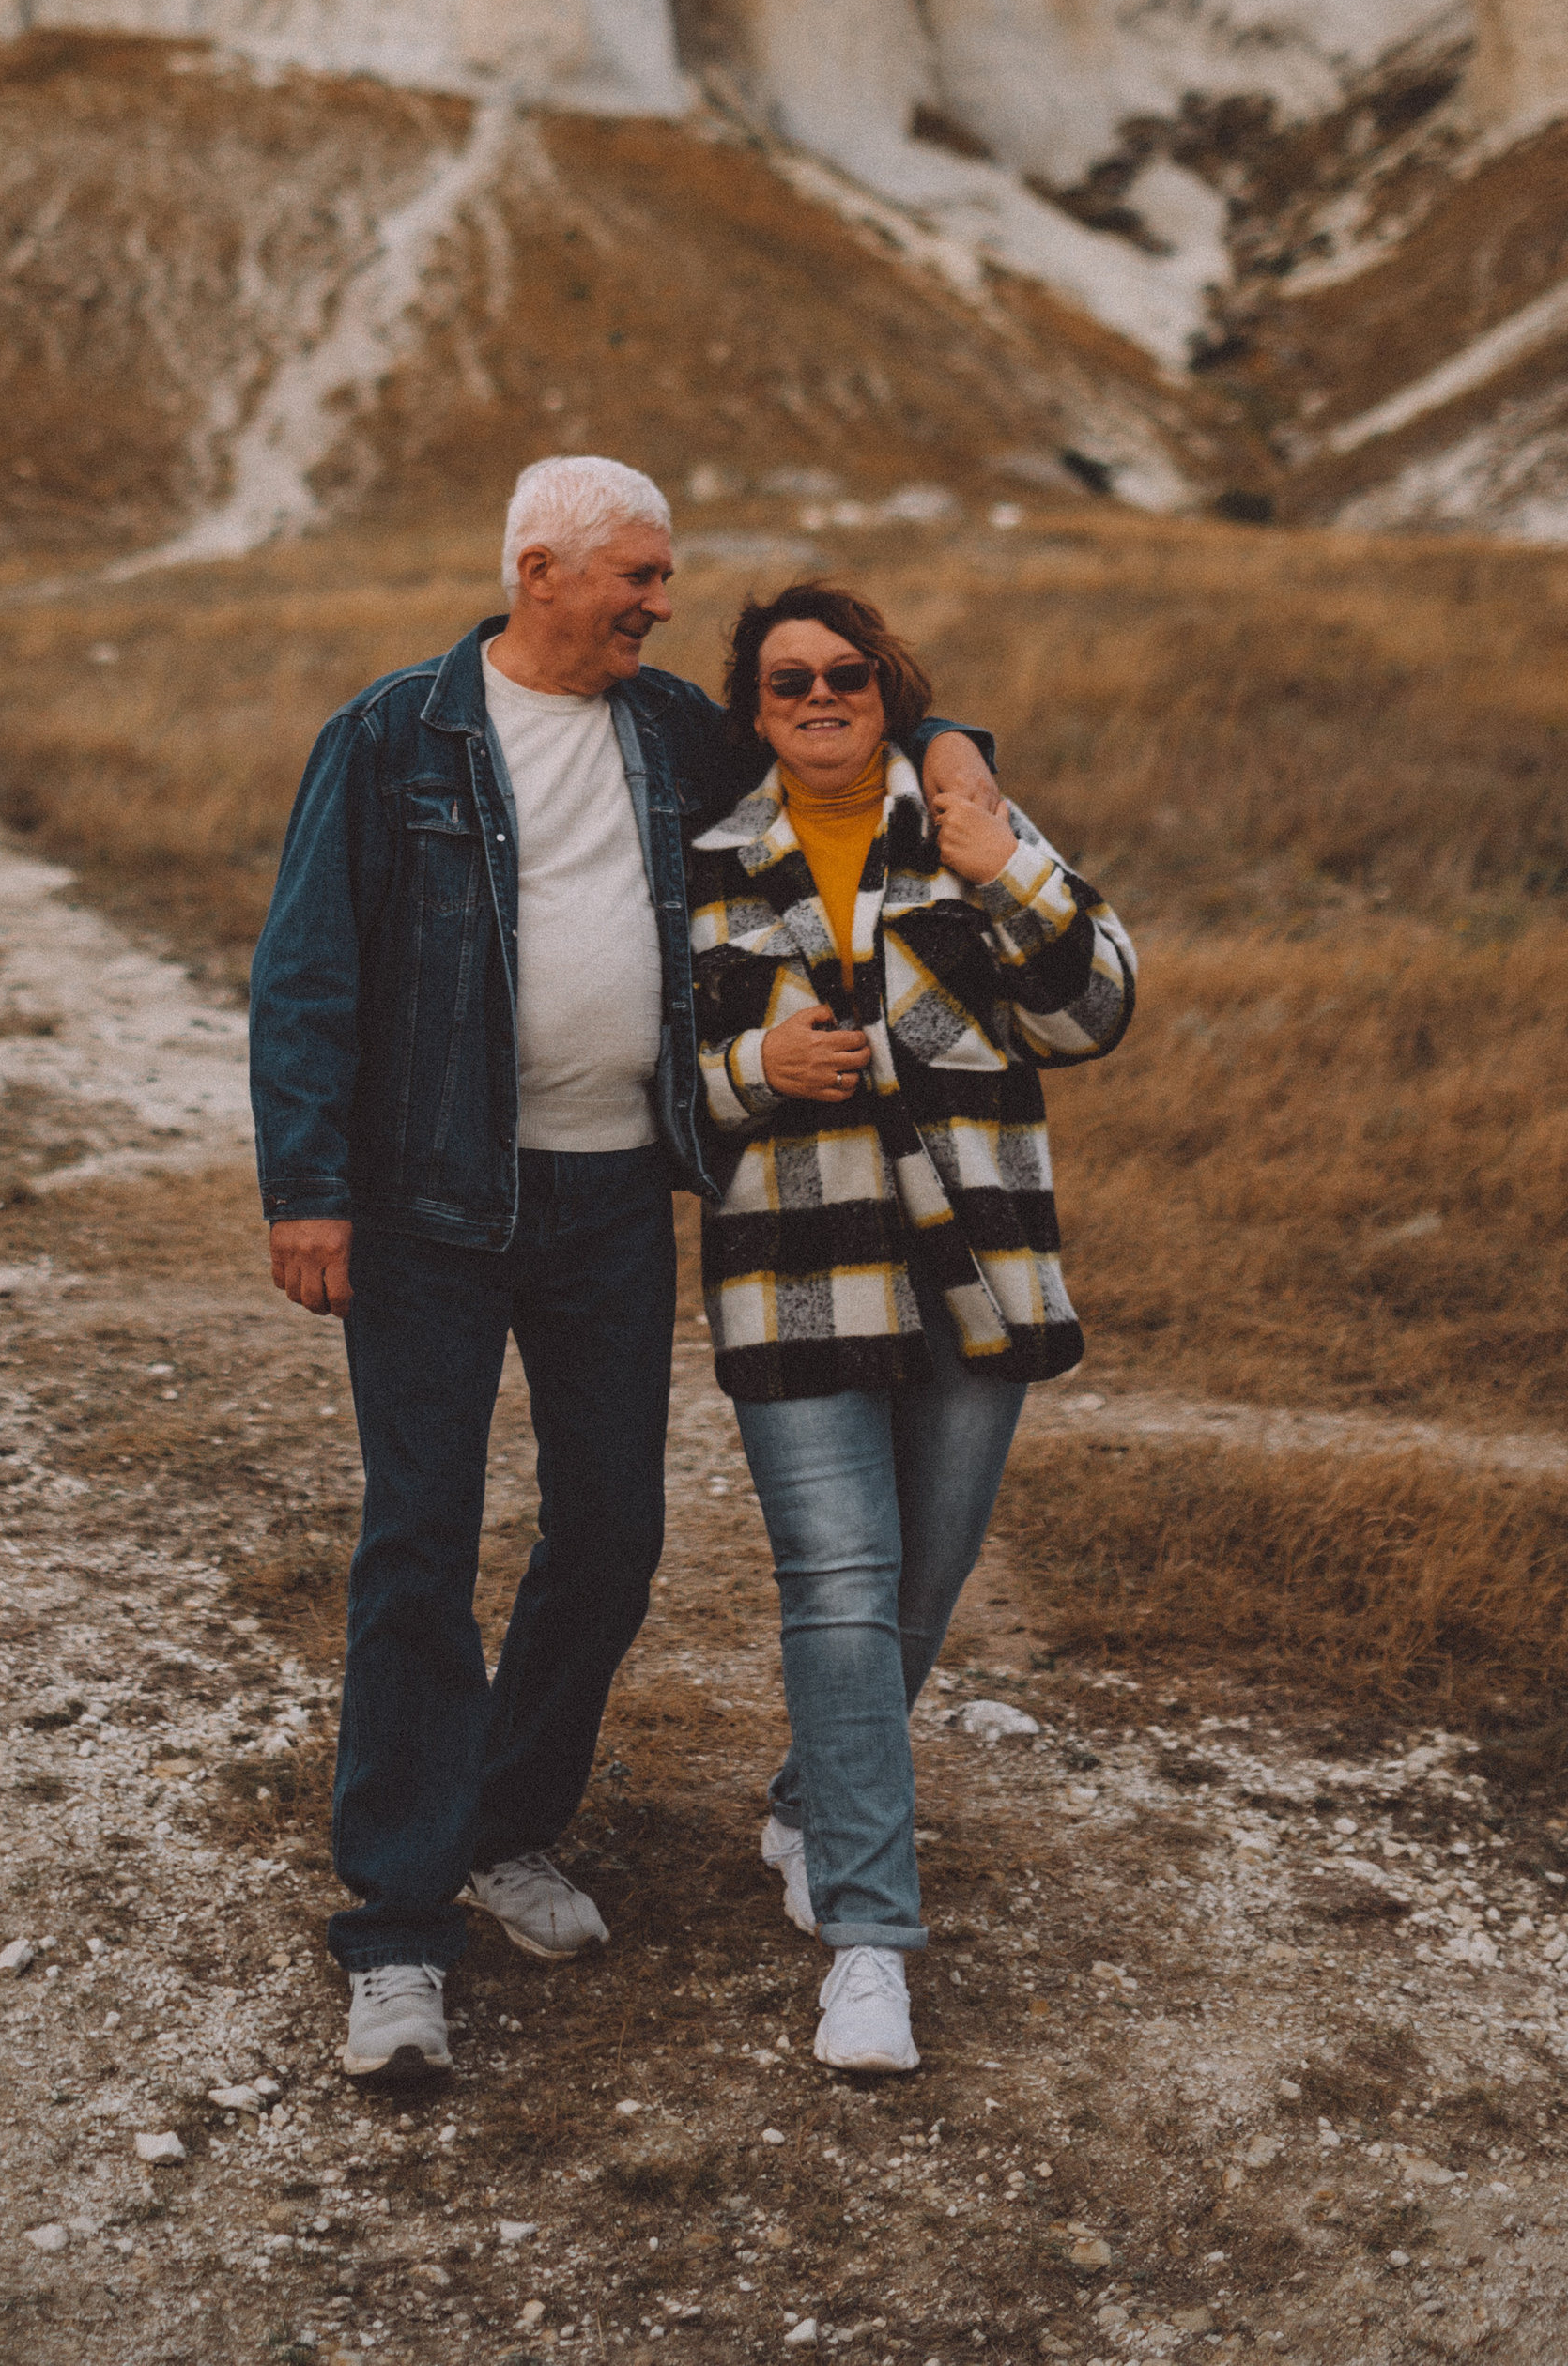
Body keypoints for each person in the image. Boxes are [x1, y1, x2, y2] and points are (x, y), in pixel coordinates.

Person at [248, 460, 1004, 2085]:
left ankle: (508, 1824)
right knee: (419, 1544)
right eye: (640, 578)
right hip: (428, 1208)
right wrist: (307, 1188)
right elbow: (307, 969)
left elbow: (841, 724)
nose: (665, 606)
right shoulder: (396, 736)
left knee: (611, 1535)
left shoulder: (669, 729)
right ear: (540, 568)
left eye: (663, 582)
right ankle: (395, 1933)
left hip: (612, 1206)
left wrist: (957, 749)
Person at [687, 579, 1135, 2075]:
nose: (818, 699)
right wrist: (754, 1066)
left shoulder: (969, 829)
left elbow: (1097, 1011)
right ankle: (871, 1945)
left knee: (920, 1588)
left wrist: (1003, 854)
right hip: (792, 1272)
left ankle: (815, 1804)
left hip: (980, 1271)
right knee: (840, 1581)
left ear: (890, 692)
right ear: (753, 709)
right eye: (787, 680)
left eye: (847, 678)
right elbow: (648, 1084)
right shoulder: (703, 862)